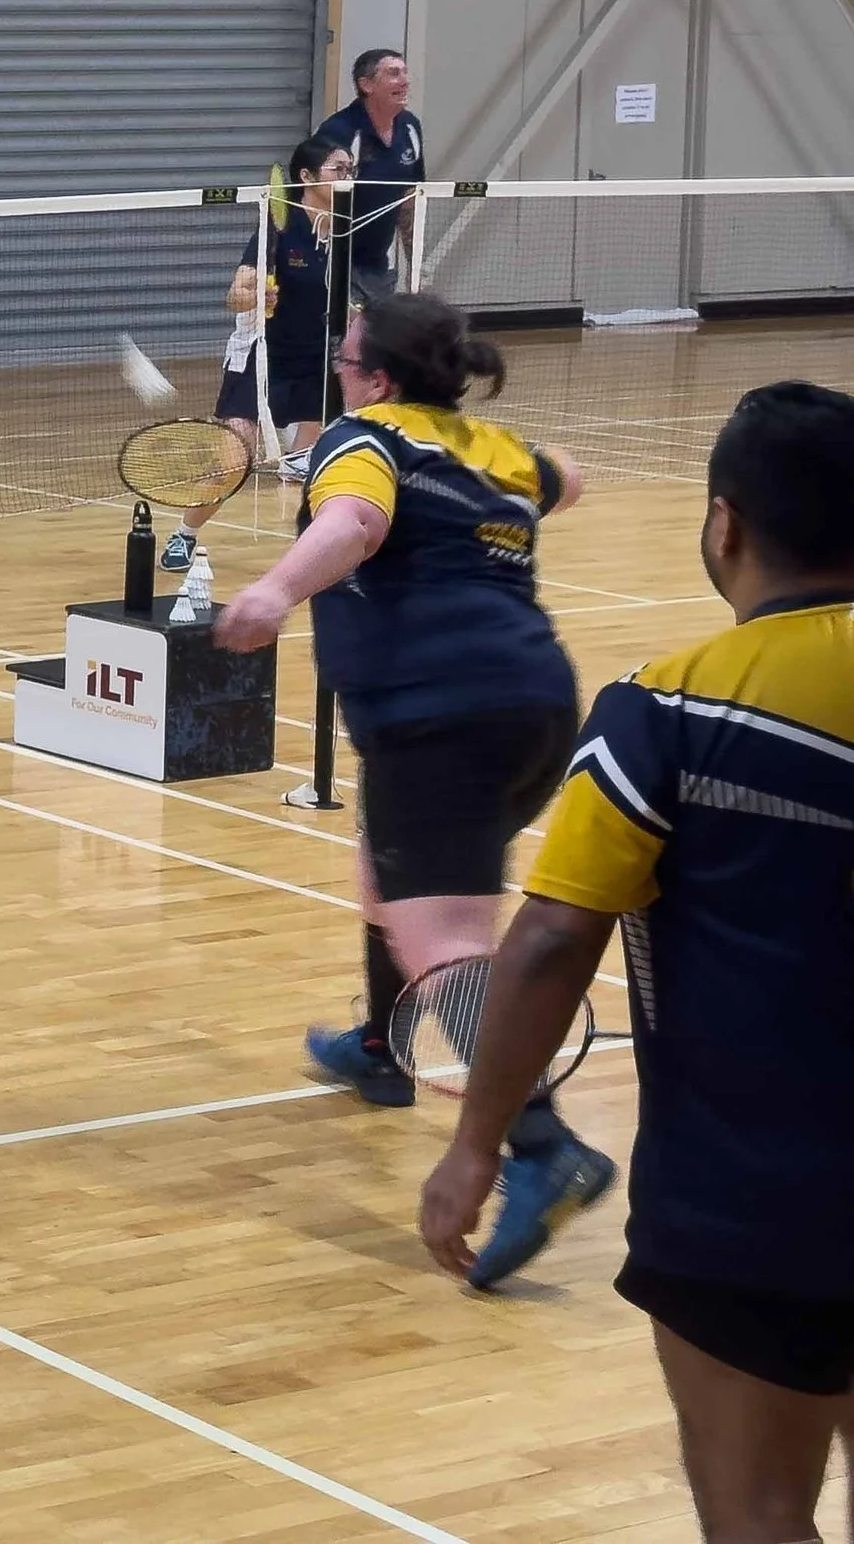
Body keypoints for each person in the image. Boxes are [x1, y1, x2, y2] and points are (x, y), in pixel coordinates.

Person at [424, 381, 854, 1538]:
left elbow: (554, 939)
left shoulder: (661, 713)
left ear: (725, 525)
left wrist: (477, 1145)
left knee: (759, 1515)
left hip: (752, 1207)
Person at [214, 292, 613, 1285]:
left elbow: (352, 521)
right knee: (386, 867)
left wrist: (273, 590)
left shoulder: (361, 437)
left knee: (443, 941)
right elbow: (568, 479)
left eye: (348, 360)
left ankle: (541, 1144)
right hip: (538, 710)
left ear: (377, 378)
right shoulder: (488, 445)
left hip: (439, 714)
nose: (339, 372)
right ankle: (380, 1052)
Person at [166, 136, 354, 572]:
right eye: (338, 170)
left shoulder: (345, 227)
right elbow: (236, 292)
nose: (348, 178)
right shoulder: (278, 227)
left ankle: (320, 549)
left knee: (320, 465)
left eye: (351, 169)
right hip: (261, 358)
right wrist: (254, 296)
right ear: (307, 178)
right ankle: (184, 534)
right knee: (234, 460)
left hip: (315, 360)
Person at [315, 49, 425, 302]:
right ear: (366, 85)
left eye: (405, 73)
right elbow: (315, 196)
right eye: (394, 73)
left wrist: (415, 266)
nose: (405, 81)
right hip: (335, 265)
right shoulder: (339, 131)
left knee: (378, 339)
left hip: (378, 268)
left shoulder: (410, 127)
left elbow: (409, 198)